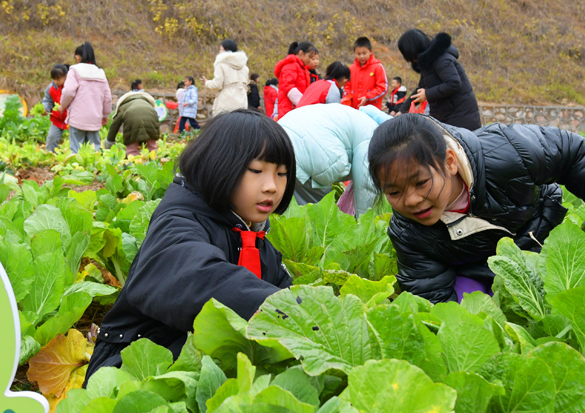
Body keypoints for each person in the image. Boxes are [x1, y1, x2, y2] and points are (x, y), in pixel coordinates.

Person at [83, 110, 296, 383]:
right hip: (132, 368)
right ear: (220, 164)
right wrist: (290, 311)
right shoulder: (177, 220)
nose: (272, 187)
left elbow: (287, 293)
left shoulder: (257, 240)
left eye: (282, 174)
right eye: (256, 171)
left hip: (202, 369)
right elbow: (197, 276)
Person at [368, 114, 585, 304]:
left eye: (421, 182)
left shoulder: (507, 151)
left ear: (450, 162)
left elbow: (573, 153)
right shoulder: (407, 231)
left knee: (560, 295)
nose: (411, 200)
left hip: (536, 239)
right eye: (394, 192)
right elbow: (430, 292)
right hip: (472, 268)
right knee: (470, 310)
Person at [279, 103, 388, 214]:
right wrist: (365, 220)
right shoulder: (373, 135)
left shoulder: (357, 117)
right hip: (309, 155)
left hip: (280, 137)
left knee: (284, 206)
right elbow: (366, 184)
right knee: (317, 215)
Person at [394, 30, 481, 130]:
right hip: (447, 116)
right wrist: (402, 110)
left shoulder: (442, 59)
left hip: (461, 119)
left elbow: (454, 83)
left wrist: (427, 94)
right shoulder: (428, 63)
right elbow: (421, 88)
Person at [59, 42, 112, 153]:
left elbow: (68, 92)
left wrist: (62, 106)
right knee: (94, 151)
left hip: (77, 118)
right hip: (94, 119)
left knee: (76, 151)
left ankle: (76, 164)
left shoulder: (75, 70)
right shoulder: (100, 73)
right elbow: (107, 97)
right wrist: (106, 115)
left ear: (78, 57)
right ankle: (94, 165)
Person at [202, 39, 250, 116]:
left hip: (226, 102)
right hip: (242, 103)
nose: (219, 52)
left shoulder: (221, 65)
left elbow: (217, 85)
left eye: (221, 49)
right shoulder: (244, 67)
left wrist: (207, 83)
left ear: (226, 50)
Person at [105, 90, 160, 157]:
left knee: (133, 149)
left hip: (132, 123)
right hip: (151, 120)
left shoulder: (124, 106)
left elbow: (115, 125)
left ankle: (133, 161)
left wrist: (109, 142)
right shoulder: (148, 104)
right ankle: (154, 161)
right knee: (152, 147)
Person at [274, 41, 317, 119]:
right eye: (309, 57)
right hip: (289, 110)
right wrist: (304, 103)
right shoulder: (290, 65)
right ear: (301, 53)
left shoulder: (301, 67)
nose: (310, 60)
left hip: (296, 109)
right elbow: (288, 87)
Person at [342, 37, 388, 110]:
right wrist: (347, 97)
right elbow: (346, 86)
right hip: (354, 109)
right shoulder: (351, 68)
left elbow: (382, 88)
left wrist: (367, 97)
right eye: (358, 54)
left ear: (371, 51)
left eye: (364, 53)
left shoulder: (378, 67)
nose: (361, 56)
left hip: (371, 110)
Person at [42, 63, 69, 153]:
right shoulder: (50, 88)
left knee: (75, 141)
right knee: (51, 139)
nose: (56, 81)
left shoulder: (71, 87)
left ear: (66, 76)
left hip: (71, 119)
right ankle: (51, 156)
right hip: (57, 118)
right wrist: (45, 109)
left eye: (58, 79)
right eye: (54, 79)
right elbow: (47, 101)